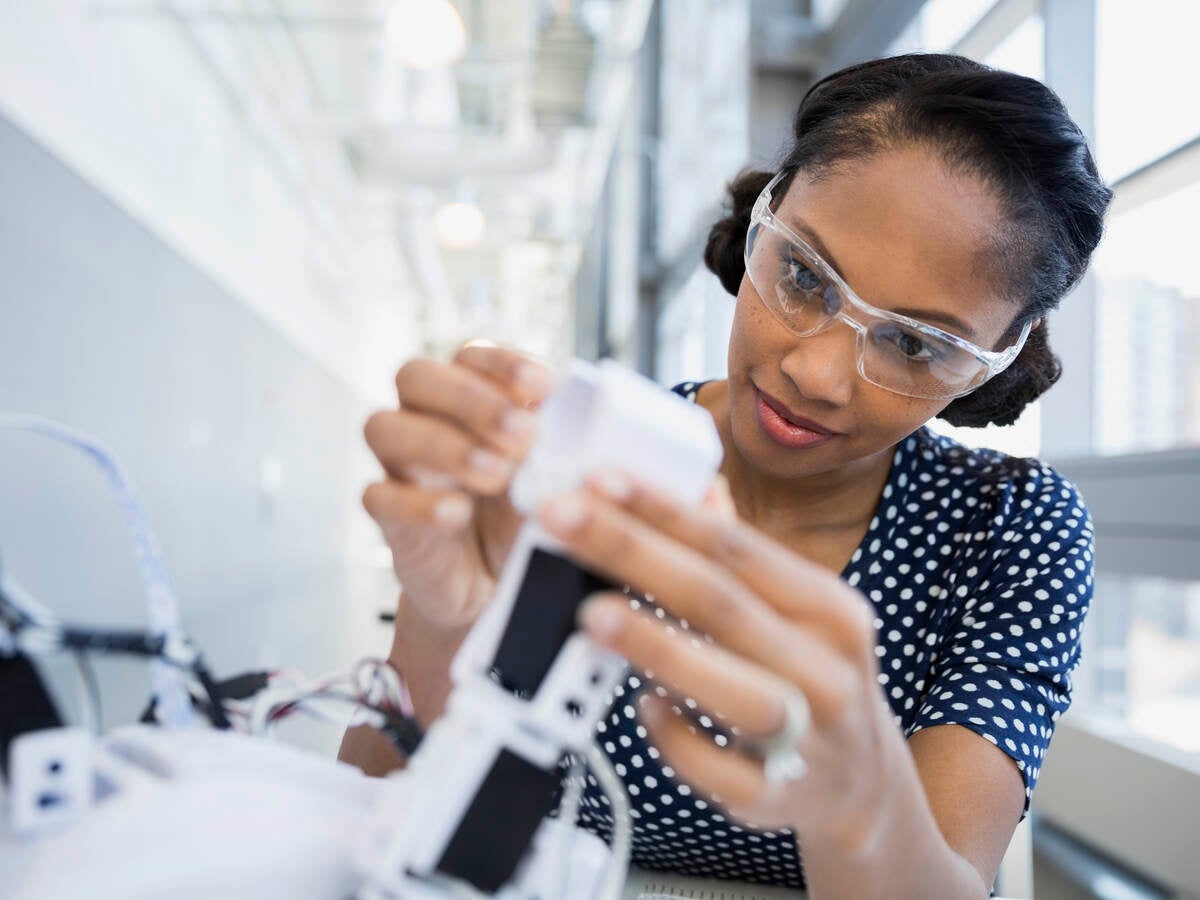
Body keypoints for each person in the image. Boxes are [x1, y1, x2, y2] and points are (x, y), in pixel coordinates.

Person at [339, 53, 1111, 898]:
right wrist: (437, 625)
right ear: (763, 223)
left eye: (914, 343)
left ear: (990, 364)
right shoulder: (597, 460)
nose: (817, 373)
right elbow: (365, 818)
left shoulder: (1008, 529)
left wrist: (861, 804)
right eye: (804, 275)